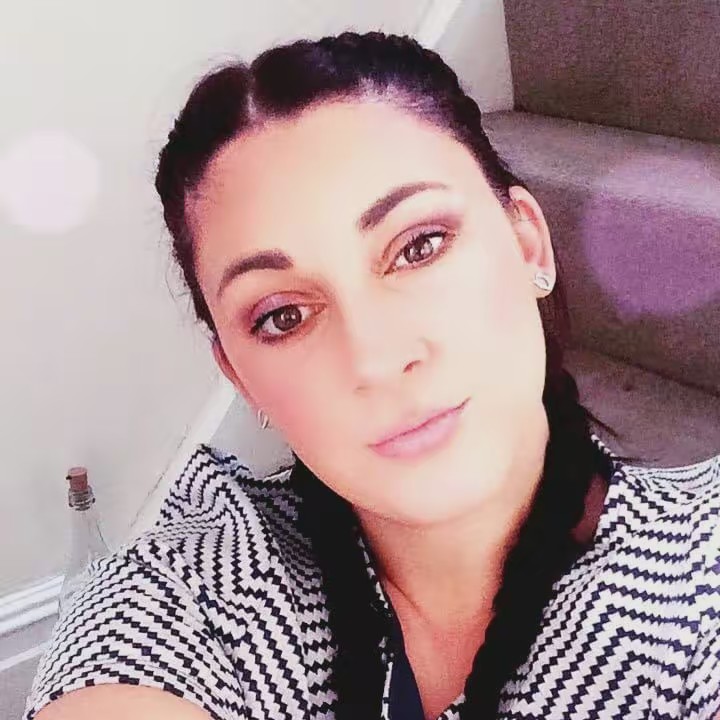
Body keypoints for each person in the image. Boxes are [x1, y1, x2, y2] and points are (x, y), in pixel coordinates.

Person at [24, 30, 720, 720]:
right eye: (283, 316)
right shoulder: (184, 598)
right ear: (240, 377)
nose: (376, 359)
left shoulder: (694, 570)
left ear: (527, 242)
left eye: (419, 247)